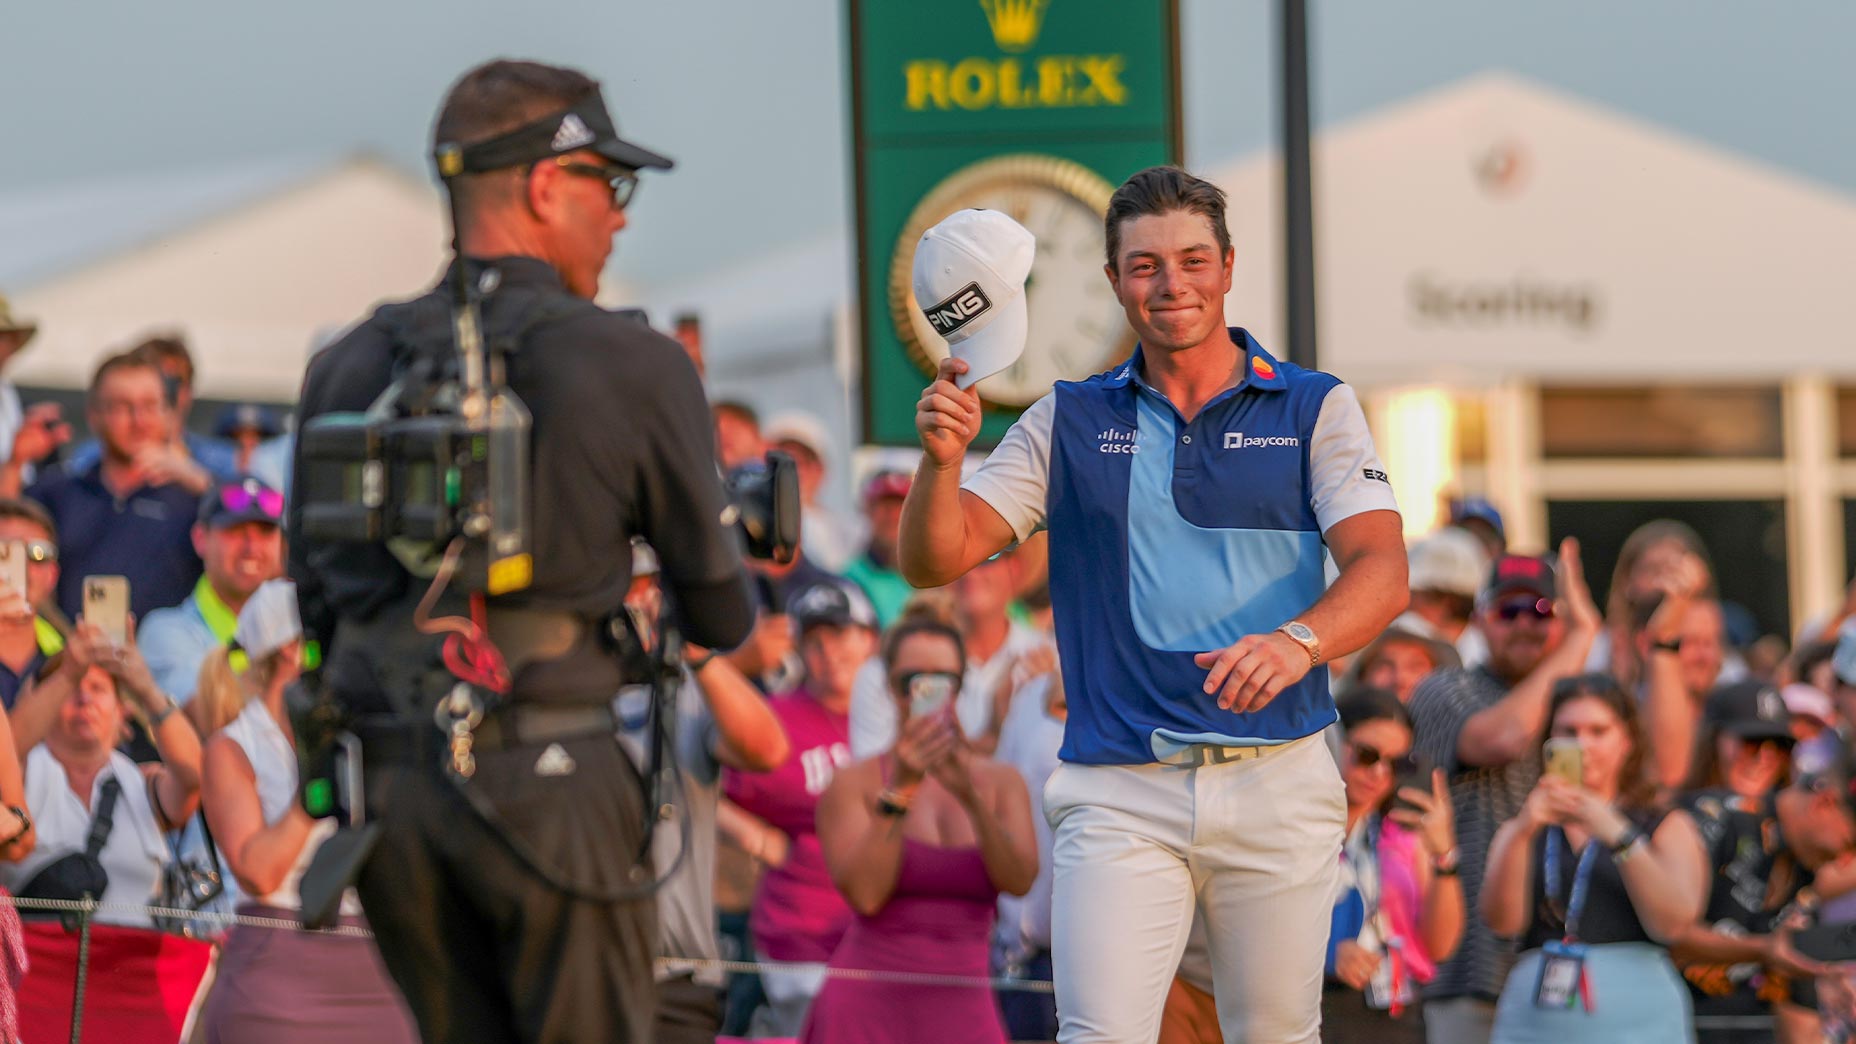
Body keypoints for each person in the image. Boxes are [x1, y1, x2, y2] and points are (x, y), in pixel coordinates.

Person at [287, 58, 755, 1044]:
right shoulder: (634, 360)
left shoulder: (344, 363)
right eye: (609, 187)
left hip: (392, 796)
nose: (619, 217)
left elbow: (315, 596)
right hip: (554, 772)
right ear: (546, 184)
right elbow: (720, 611)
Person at [900, 169, 1409, 1042]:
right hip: (1118, 786)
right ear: (1111, 279)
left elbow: (1382, 569)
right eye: (1144, 266)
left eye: (1192, 261)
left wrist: (1299, 642)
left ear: (1227, 268)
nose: (1171, 284)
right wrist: (942, 462)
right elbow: (935, 558)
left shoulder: (1315, 405)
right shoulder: (1066, 415)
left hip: (1279, 775)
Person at [805, 603, 1038, 1043]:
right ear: (892, 689)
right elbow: (866, 896)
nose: (927, 692)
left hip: (964, 1002)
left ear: (961, 686)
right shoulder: (854, 783)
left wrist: (970, 795)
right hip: (866, 1005)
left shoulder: (1000, 781)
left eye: (943, 680)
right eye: (912, 680)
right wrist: (903, 789)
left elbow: (1019, 879)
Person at [196, 580, 417, 1042]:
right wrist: (315, 784)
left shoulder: (366, 729)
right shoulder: (233, 747)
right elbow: (259, 872)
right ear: (294, 652)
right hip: (280, 968)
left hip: (381, 963)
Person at [1406, 550, 1603, 1044]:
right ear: (1479, 619)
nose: (1524, 625)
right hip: (1468, 972)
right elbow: (1500, 738)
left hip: (1562, 970)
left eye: (1540, 610)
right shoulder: (1444, 687)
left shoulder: (1577, 706)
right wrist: (1580, 636)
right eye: (1507, 611)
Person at [614, 543, 792, 1044]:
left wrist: (695, 651)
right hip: (573, 968)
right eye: (622, 585)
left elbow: (768, 748)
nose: (635, 601)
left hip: (676, 976)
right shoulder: (549, 684)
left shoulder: (687, 687)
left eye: (647, 586)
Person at [1481, 673, 1710, 1042]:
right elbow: (1501, 922)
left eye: (1598, 731)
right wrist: (1523, 830)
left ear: (1627, 741)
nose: (1582, 744)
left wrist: (1618, 835)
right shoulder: (1524, 824)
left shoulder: (1663, 823)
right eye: (1568, 732)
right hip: (1534, 1022)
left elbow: (1673, 924)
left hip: (1640, 1021)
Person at [720, 581, 870, 1036]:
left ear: (871, 639)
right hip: (800, 930)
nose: (829, 651)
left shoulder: (894, 716)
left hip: (882, 935)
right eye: (814, 640)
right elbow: (705, 791)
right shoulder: (776, 717)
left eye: (841, 634)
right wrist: (753, 835)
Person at [3, 623, 202, 928]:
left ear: (122, 711)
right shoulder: (17, 778)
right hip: (38, 970)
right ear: (44, 704)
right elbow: (9, 748)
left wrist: (145, 687)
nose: (85, 700)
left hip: (131, 968)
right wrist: (69, 671)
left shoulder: (143, 785)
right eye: (71, 690)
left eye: (97, 688)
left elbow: (195, 776)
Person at [1670, 681, 1815, 1043]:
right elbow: (1671, 935)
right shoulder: (1685, 819)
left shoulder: (1795, 835)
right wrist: (1765, 949)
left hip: (1762, 1026)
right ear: (1713, 742)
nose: (1764, 756)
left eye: (1778, 746)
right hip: (1683, 1022)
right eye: (1750, 742)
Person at [12, 352, 205, 621]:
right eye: (122, 406)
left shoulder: (195, 499)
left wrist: (202, 482)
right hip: (68, 654)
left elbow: (261, 531)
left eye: (150, 405)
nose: (138, 420)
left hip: (161, 659)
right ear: (93, 415)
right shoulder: (61, 491)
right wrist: (15, 462)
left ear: (169, 414)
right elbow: (8, 531)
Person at [1325, 687, 1465, 1043]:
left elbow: (1440, 947)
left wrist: (1444, 855)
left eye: (1398, 762)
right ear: (1331, 740)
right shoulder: (1296, 830)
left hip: (1393, 1010)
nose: (1379, 773)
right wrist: (1323, 951)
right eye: (1367, 755)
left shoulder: (1403, 837)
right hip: (1315, 1005)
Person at [849, 543, 1050, 758]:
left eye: (988, 557)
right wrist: (993, 735)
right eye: (954, 559)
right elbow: (873, 776)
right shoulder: (885, 668)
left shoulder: (1051, 661)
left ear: (1014, 568)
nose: (970, 572)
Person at [139, 475, 285, 709]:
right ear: (200, 539)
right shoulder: (165, 632)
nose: (252, 547)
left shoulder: (304, 622)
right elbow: (212, 715)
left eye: (265, 531)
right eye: (235, 530)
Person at [61, 337, 241, 485]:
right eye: (124, 405)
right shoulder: (92, 457)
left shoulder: (218, 458)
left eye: (173, 382)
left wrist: (195, 478)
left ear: (188, 391)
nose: (139, 418)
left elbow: (253, 506)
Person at [765, 410, 861, 574]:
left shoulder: (851, 531)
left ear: (820, 470)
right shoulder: (751, 518)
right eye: (779, 461)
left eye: (799, 462)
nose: (790, 473)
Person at [0, 498, 66, 711]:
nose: (23, 566)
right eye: (6, 553)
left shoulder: (71, 660)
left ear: (52, 575)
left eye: (39, 554)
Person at [1403, 526, 1491, 669]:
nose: (1405, 602)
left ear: (1447, 602)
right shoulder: (1399, 642)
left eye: (1414, 594)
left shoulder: (1487, 656)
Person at [845, 471, 916, 628]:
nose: (892, 515)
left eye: (901, 505)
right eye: (884, 506)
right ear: (867, 509)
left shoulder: (934, 576)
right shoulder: (850, 579)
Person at [1343, 620, 1462, 704]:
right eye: (1384, 665)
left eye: (1415, 667)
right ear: (1362, 675)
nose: (1399, 679)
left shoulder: (1459, 738)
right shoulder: (1332, 734)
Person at [213, 404, 284, 477]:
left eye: (255, 434)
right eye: (240, 435)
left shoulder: (274, 467)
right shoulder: (217, 463)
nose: (247, 441)